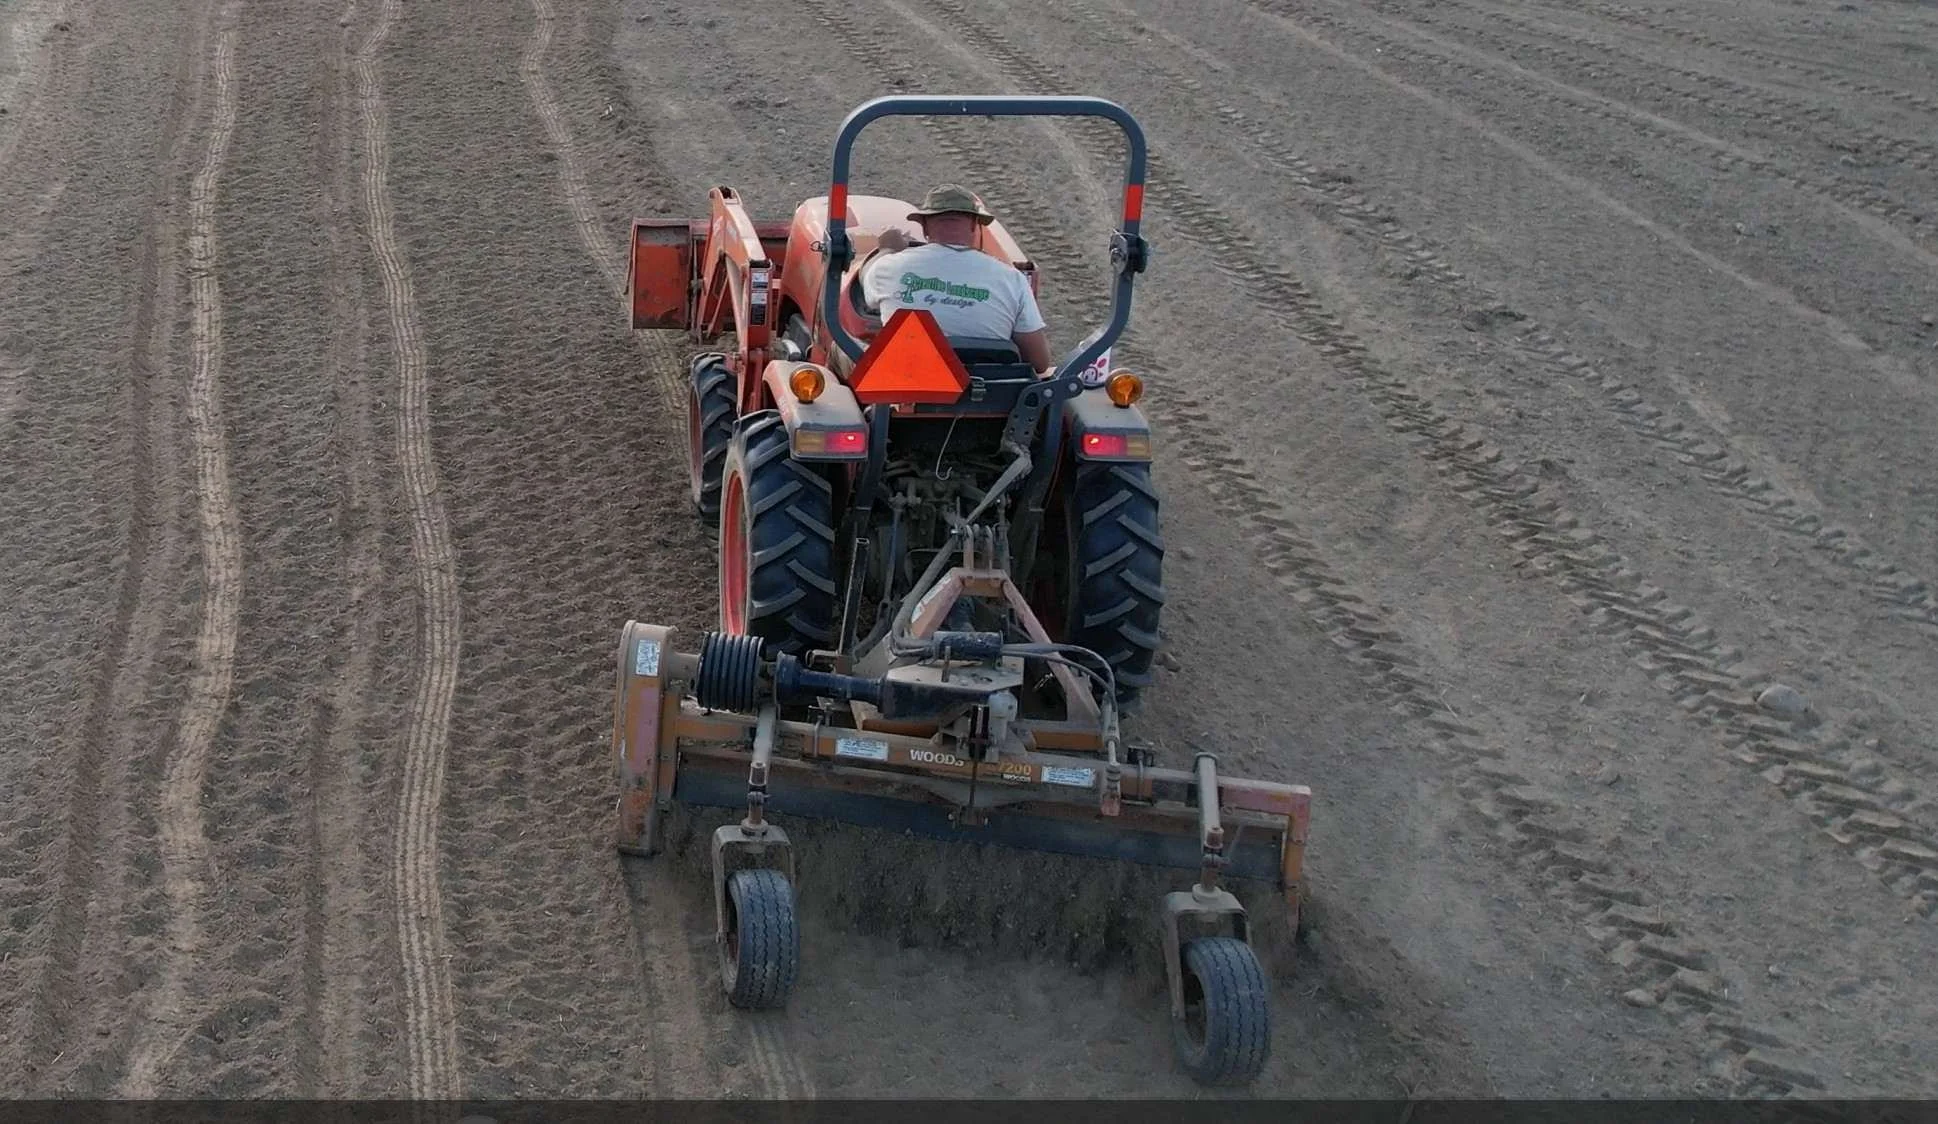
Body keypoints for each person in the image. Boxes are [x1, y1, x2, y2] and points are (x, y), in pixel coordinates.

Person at [859, 184, 1053, 373]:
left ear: (925, 226)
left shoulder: (887, 267)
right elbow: (1039, 362)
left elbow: (864, 283)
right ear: (974, 225)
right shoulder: (1013, 279)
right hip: (989, 395)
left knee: (840, 348)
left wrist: (887, 249)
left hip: (906, 389)